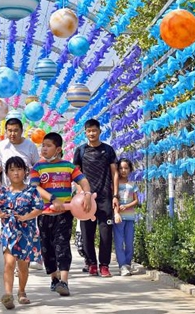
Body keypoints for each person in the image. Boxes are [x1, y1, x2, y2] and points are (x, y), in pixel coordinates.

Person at [31, 132, 91, 297]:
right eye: (43, 145)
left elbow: (83, 180)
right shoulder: (37, 168)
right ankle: (54, 278)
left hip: (64, 213)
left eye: (48, 146)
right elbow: (35, 188)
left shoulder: (69, 167)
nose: (44, 149)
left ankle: (64, 281)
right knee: (47, 248)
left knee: (62, 244)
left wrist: (86, 193)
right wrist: (52, 199)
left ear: (58, 149)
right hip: (44, 214)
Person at [0, 156, 44, 310]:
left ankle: (21, 291)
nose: (15, 173)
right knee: (9, 263)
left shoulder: (32, 191)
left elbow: (39, 208)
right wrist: (0, 215)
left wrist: (26, 217)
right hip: (9, 232)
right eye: (12, 170)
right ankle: (8, 295)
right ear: (7, 173)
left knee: (23, 266)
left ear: (25, 172)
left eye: (19, 169)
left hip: (26, 233)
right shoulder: (3, 191)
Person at [74, 118, 119, 278]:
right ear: (85, 133)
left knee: (106, 233)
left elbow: (115, 173)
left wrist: (115, 195)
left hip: (105, 198)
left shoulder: (108, 150)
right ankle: (91, 263)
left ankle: (105, 265)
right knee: (87, 233)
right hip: (87, 199)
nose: (92, 133)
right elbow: (76, 175)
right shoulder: (80, 151)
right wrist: (81, 194)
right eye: (89, 131)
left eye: (94, 130)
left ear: (99, 131)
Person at [0, 118, 39, 189]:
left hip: (27, 190)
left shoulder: (30, 146)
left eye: (16, 130)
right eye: (10, 131)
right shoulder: (1, 146)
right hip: (8, 190)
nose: (12, 134)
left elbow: (37, 167)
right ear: (6, 131)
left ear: (21, 131)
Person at [113, 158, 139, 276]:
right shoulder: (115, 184)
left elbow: (136, 201)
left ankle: (127, 263)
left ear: (130, 169)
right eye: (121, 168)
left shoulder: (132, 184)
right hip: (119, 217)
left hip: (130, 217)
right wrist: (116, 213)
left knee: (129, 242)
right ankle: (122, 265)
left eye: (126, 168)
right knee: (119, 242)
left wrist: (126, 206)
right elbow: (113, 200)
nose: (123, 170)